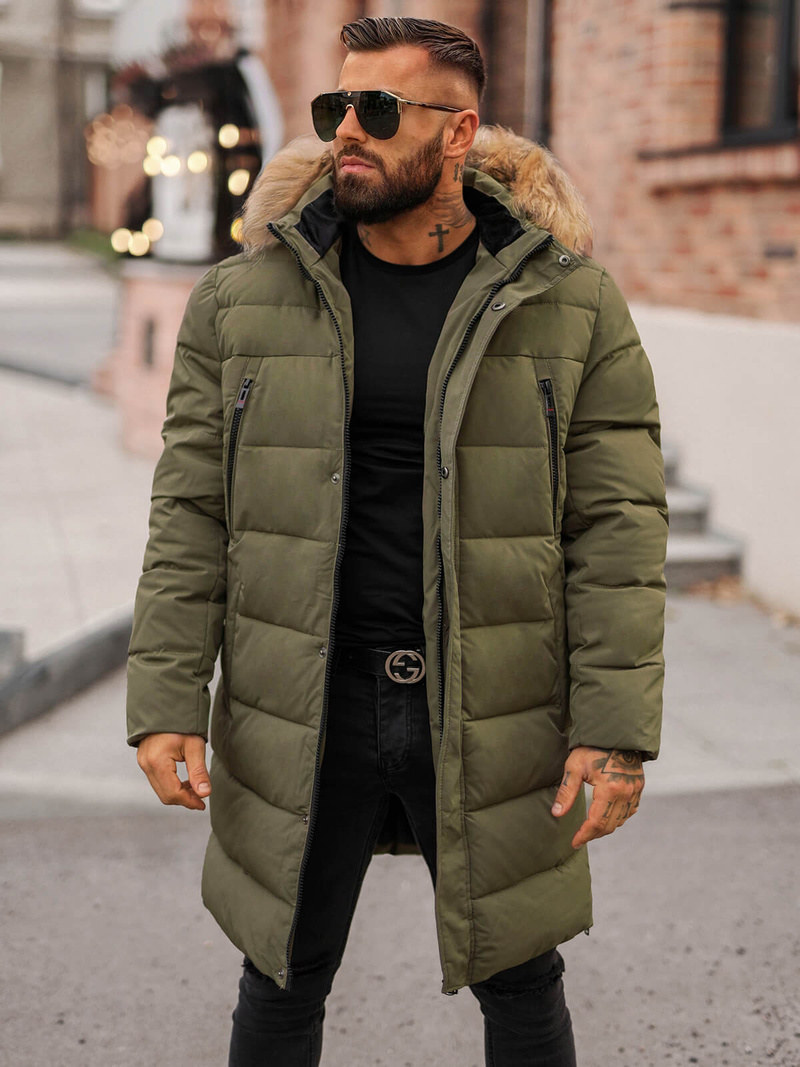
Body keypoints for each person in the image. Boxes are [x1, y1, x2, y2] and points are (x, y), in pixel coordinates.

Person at [126, 15, 669, 1067]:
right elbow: (191, 510)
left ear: (458, 132)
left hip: (493, 694)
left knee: (521, 975)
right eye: (336, 106)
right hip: (303, 693)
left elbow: (616, 529)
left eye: (377, 110)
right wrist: (165, 697)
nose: (346, 131)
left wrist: (614, 727)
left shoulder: (567, 302)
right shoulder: (241, 300)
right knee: (281, 972)